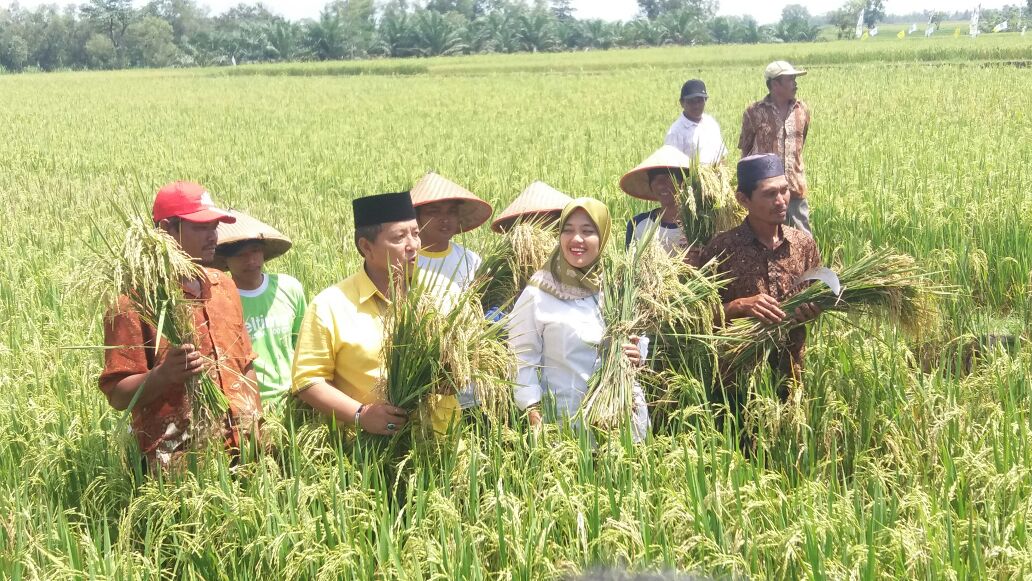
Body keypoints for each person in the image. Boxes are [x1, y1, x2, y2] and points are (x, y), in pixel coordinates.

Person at [99, 181, 261, 469]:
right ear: (166, 230)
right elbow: (118, 394)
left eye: (214, 226)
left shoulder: (223, 285)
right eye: (201, 227)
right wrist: (163, 374)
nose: (213, 236)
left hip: (246, 448)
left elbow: (246, 364)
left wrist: (257, 423)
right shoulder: (134, 301)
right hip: (179, 461)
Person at [291, 191, 459, 436]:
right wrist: (361, 414)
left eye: (415, 233)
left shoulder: (443, 291)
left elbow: (465, 359)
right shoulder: (331, 305)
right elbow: (307, 380)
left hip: (440, 442)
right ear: (366, 247)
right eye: (399, 237)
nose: (413, 245)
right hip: (366, 452)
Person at [507, 198, 649, 440]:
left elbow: (639, 336)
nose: (577, 240)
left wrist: (638, 354)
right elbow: (520, 358)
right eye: (568, 230)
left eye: (588, 231)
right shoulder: (539, 293)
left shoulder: (618, 287)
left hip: (623, 420)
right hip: (564, 426)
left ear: (602, 236)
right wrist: (533, 412)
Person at [698, 154, 822, 393]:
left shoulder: (803, 245)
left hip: (791, 375)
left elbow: (819, 296)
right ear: (743, 199)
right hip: (737, 382)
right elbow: (698, 320)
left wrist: (812, 311)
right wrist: (739, 306)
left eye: (784, 191)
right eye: (769, 194)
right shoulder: (720, 249)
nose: (781, 201)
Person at [214, 211, 307, 408]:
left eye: (255, 251)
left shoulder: (289, 287)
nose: (251, 261)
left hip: (294, 399)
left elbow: (301, 342)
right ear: (225, 261)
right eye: (240, 255)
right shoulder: (220, 300)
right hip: (249, 403)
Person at [739, 61, 813, 235]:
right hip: (764, 193)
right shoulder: (754, 112)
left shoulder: (801, 110)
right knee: (764, 239)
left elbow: (800, 145)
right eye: (790, 79)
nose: (795, 83)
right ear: (775, 84)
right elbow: (745, 150)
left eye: (795, 79)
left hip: (794, 188)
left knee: (803, 238)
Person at [410, 172, 492, 290]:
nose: (445, 218)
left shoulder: (470, 260)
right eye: (434, 211)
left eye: (451, 212)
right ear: (416, 217)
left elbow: (488, 299)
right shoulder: (406, 262)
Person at [620, 145, 693, 256]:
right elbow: (629, 267)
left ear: (684, 183)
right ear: (650, 186)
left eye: (669, 178)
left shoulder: (699, 225)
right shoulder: (638, 224)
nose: (661, 185)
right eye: (655, 179)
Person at [664, 79, 728, 166]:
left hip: (716, 177)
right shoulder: (675, 131)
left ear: (705, 101)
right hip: (692, 178)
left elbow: (722, 156)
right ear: (682, 103)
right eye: (691, 102)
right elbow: (671, 165)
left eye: (700, 101)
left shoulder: (711, 123)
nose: (696, 106)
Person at [491, 181, 573, 234]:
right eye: (535, 219)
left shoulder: (568, 254)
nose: (540, 227)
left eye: (546, 219)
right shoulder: (512, 256)